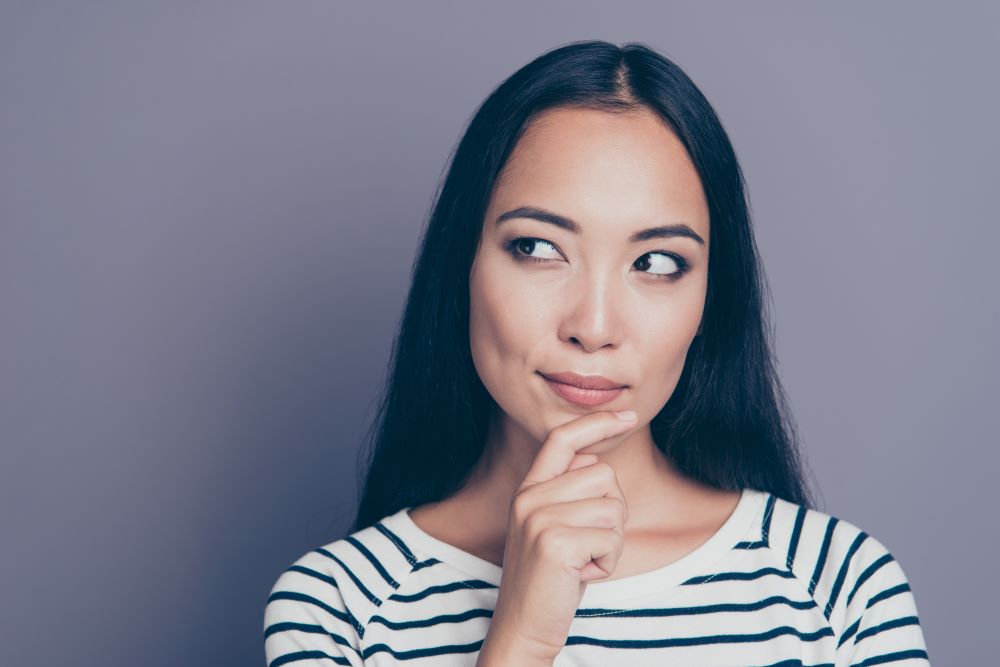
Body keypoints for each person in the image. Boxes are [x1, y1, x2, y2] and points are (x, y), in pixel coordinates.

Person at [263, 40, 930, 666]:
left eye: (657, 262)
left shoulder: (839, 588)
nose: (595, 324)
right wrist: (522, 637)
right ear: (462, 264)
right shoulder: (337, 607)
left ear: (708, 303)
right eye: (537, 247)